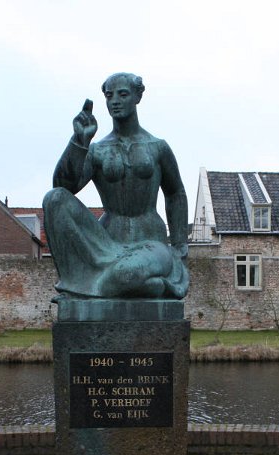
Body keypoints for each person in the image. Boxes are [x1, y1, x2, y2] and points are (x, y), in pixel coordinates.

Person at [43, 72, 189, 299]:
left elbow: (175, 193)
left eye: (122, 94)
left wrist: (179, 244)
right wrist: (79, 141)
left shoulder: (157, 147)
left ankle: (102, 286)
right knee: (54, 198)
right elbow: (63, 187)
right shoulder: (97, 150)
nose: (115, 101)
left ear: (137, 97)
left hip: (151, 243)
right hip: (107, 244)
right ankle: (147, 286)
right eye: (109, 96)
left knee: (125, 273)